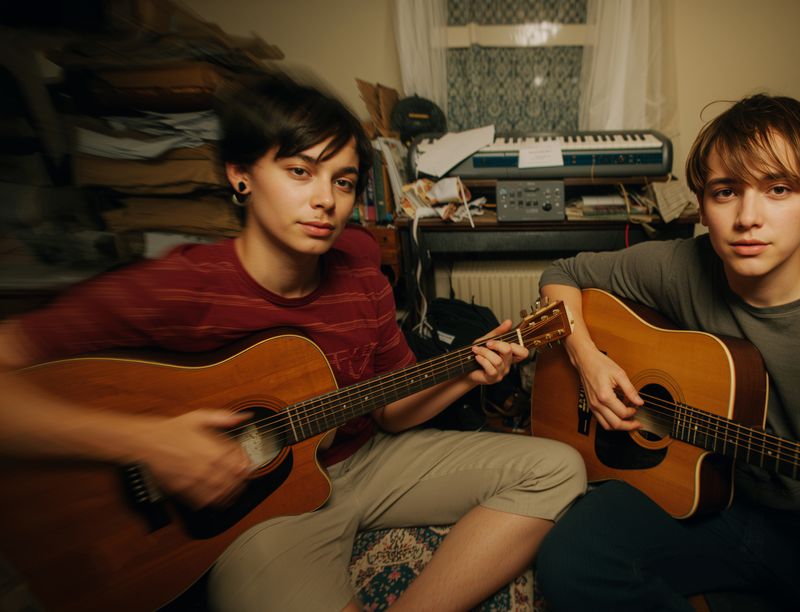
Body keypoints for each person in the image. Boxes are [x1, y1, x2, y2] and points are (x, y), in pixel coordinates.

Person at [0, 75, 586, 612]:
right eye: (300, 172)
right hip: (262, 513)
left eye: (343, 181)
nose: (325, 200)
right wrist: (149, 442)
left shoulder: (361, 271)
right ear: (241, 174)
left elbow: (392, 414)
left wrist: (466, 372)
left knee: (560, 469)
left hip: (368, 462)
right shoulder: (182, 286)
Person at [534, 94, 800, 611]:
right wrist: (589, 361)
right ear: (703, 204)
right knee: (569, 559)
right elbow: (561, 274)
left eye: (778, 189)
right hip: (706, 501)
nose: (748, 217)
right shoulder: (679, 266)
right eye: (726, 192)